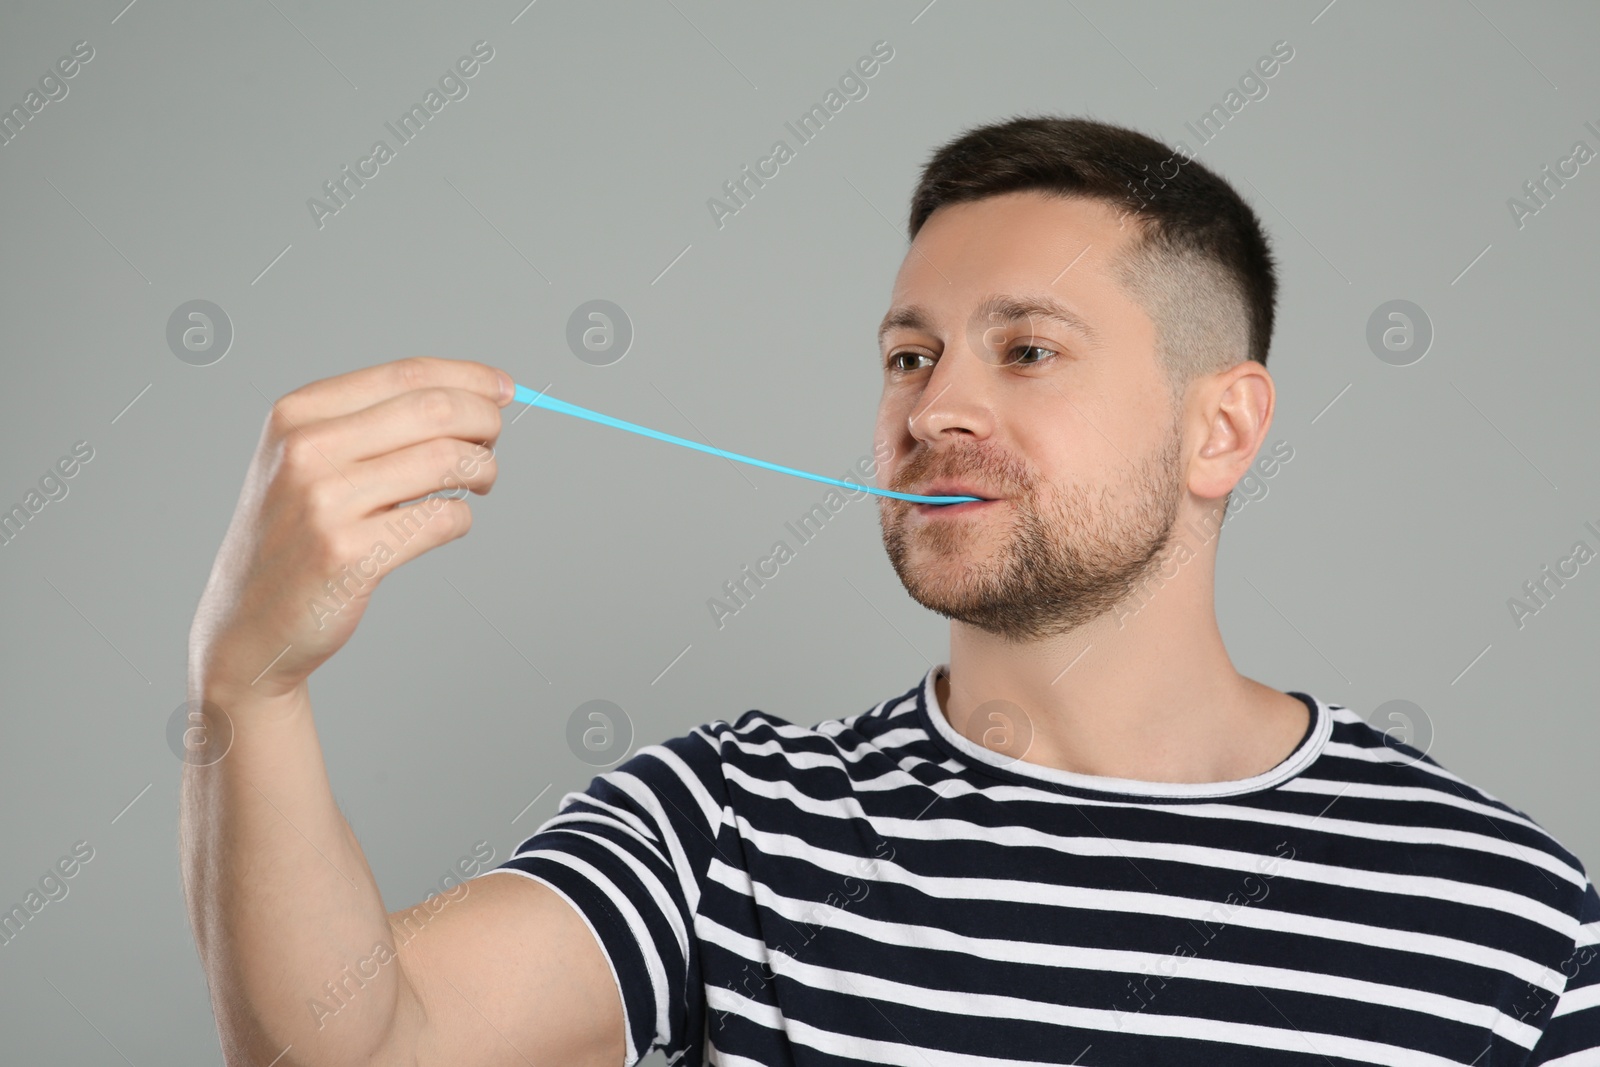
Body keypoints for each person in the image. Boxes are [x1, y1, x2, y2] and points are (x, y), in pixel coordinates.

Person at [182, 115, 1600, 1066]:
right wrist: (252, 685)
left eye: (1027, 350)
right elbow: (356, 1048)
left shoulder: (1513, 916)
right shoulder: (728, 829)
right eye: (910, 357)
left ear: (1220, 429)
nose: (937, 410)